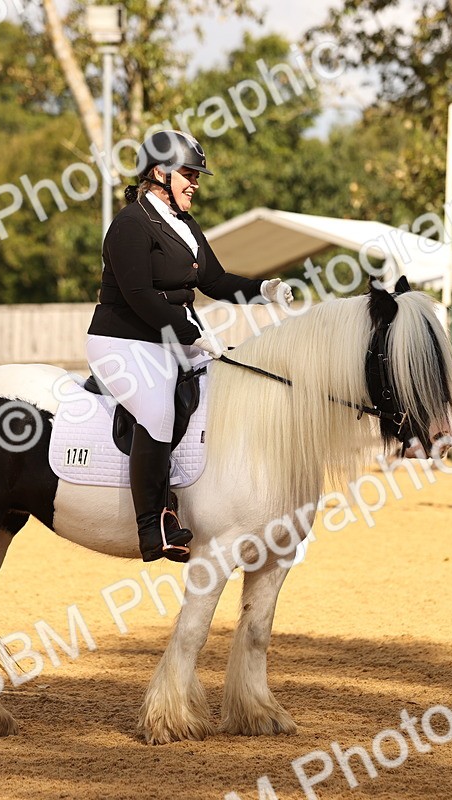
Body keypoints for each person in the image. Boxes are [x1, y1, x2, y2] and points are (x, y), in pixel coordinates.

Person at [86, 130, 293, 563]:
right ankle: (152, 525)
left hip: (172, 337)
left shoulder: (183, 223)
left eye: (197, 174)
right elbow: (140, 295)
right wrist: (189, 332)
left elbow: (213, 281)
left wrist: (264, 288)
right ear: (159, 173)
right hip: (124, 340)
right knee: (160, 408)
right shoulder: (130, 225)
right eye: (188, 173)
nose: (195, 182)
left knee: (231, 388)